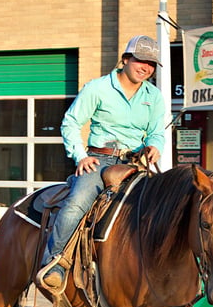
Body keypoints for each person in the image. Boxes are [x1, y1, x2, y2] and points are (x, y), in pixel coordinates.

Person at [38, 35, 166, 290]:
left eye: (152, 64)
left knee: (165, 206)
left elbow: (156, 132)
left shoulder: (154, 96)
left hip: (136, 163)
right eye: (141, 60)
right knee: (76, 203)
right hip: (101, 161)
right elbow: (71, 123)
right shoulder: (97, 88)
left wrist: (155, 146)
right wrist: (80, 155)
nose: (146, 68)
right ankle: (54, 262)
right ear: (126, 59)